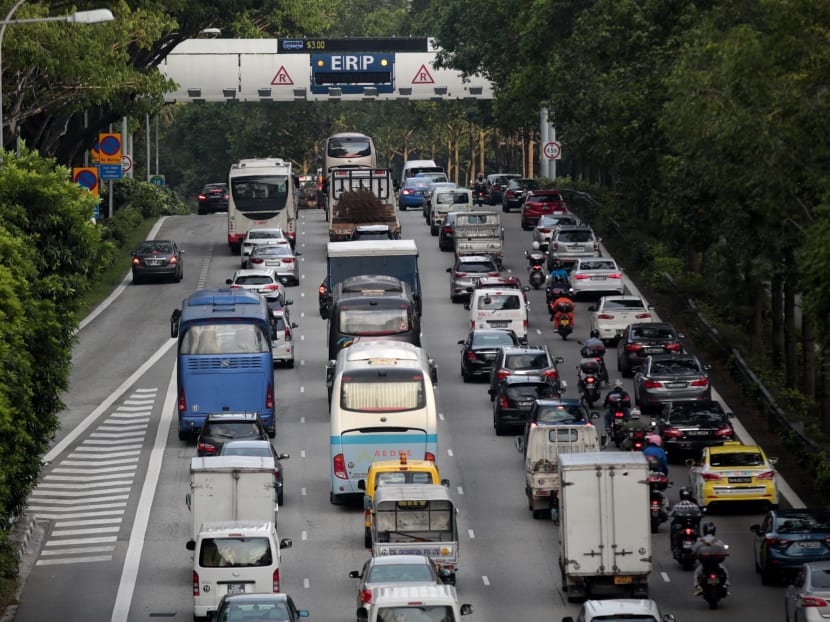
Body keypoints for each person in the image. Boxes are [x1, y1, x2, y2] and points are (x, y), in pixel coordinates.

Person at [692, 523, 729, 595]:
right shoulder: (718, 540)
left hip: (705, 563)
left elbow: (693, 551)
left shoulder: (700, 540)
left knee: (697, 572)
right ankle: (726, 584)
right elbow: (724, 551)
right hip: (716, 563)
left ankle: (698, 586)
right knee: (725, 570)